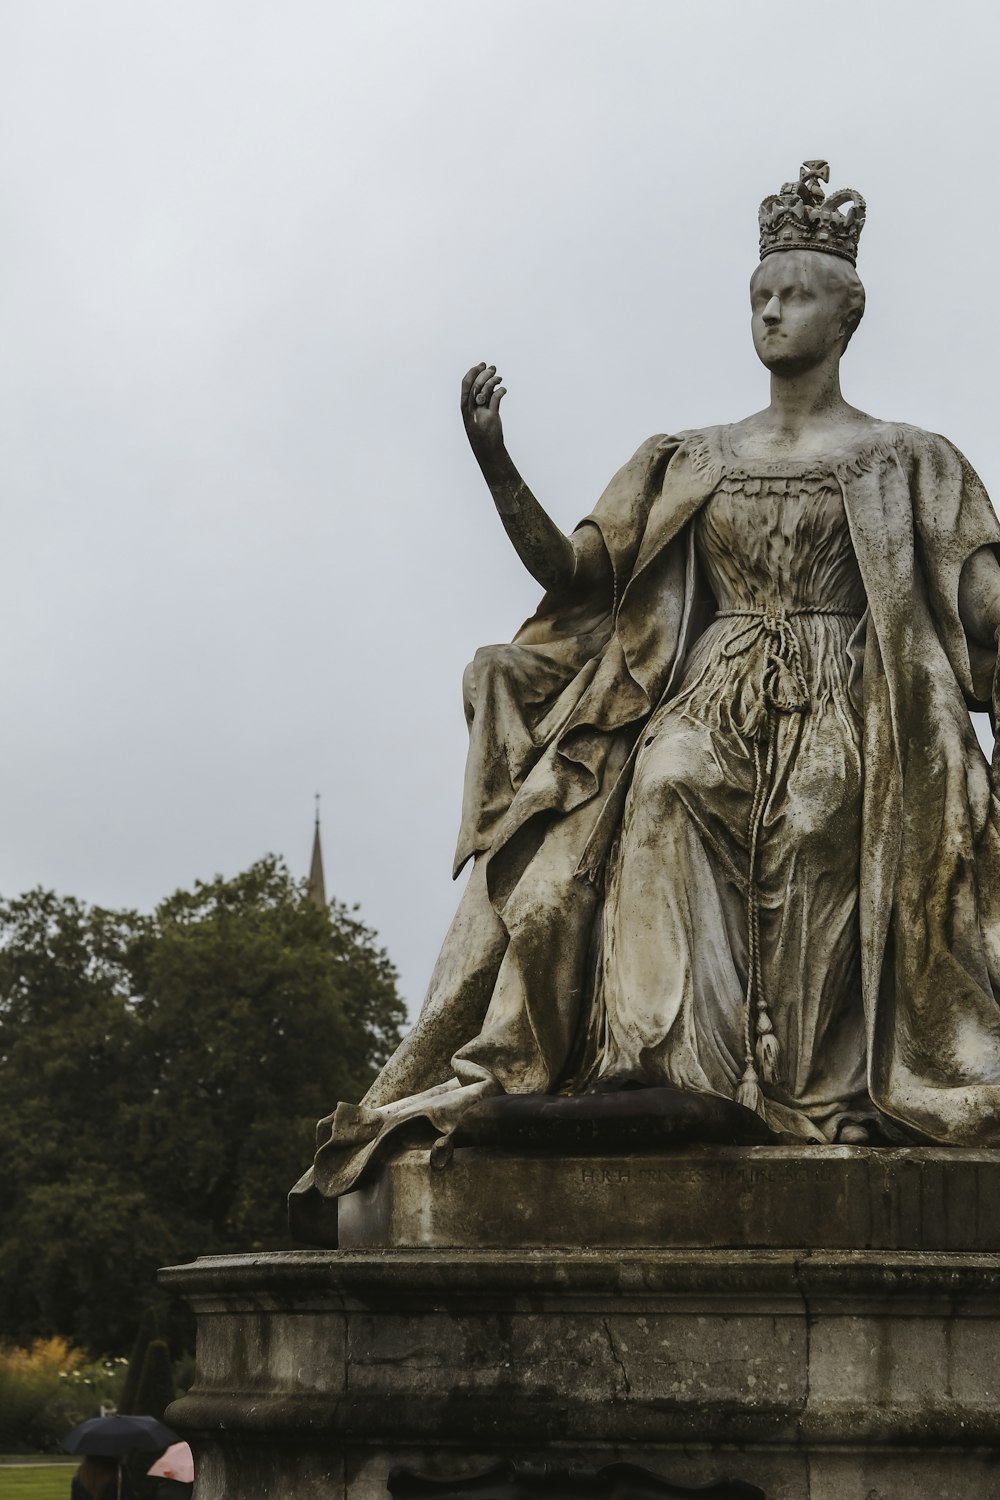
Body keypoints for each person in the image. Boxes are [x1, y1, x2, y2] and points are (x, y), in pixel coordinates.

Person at [305, 160, 1000, 1199]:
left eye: (795, 292)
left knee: (818, 817)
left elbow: (975, 593)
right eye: (758, 294)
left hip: (847, 701)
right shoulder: (685, 457)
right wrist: (496, 463)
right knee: (666, 783)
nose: (771, 309)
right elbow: (575, 578)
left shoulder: (909, 458)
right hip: (707, 690)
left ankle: (805, 1095)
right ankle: (669, 1067)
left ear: (846, 313)